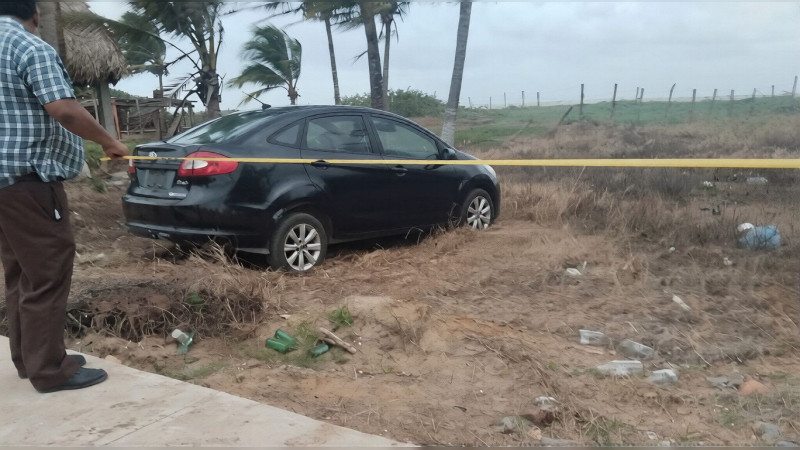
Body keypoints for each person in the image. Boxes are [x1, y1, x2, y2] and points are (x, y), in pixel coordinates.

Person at [0, 1, 128, 393]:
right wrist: (109, 142)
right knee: (49, 270)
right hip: (28, 183)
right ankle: (50, 370)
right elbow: (64, 110)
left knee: (22, 271)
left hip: (3, 185)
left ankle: (30, 358)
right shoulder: (29, 47)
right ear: (34, 13)